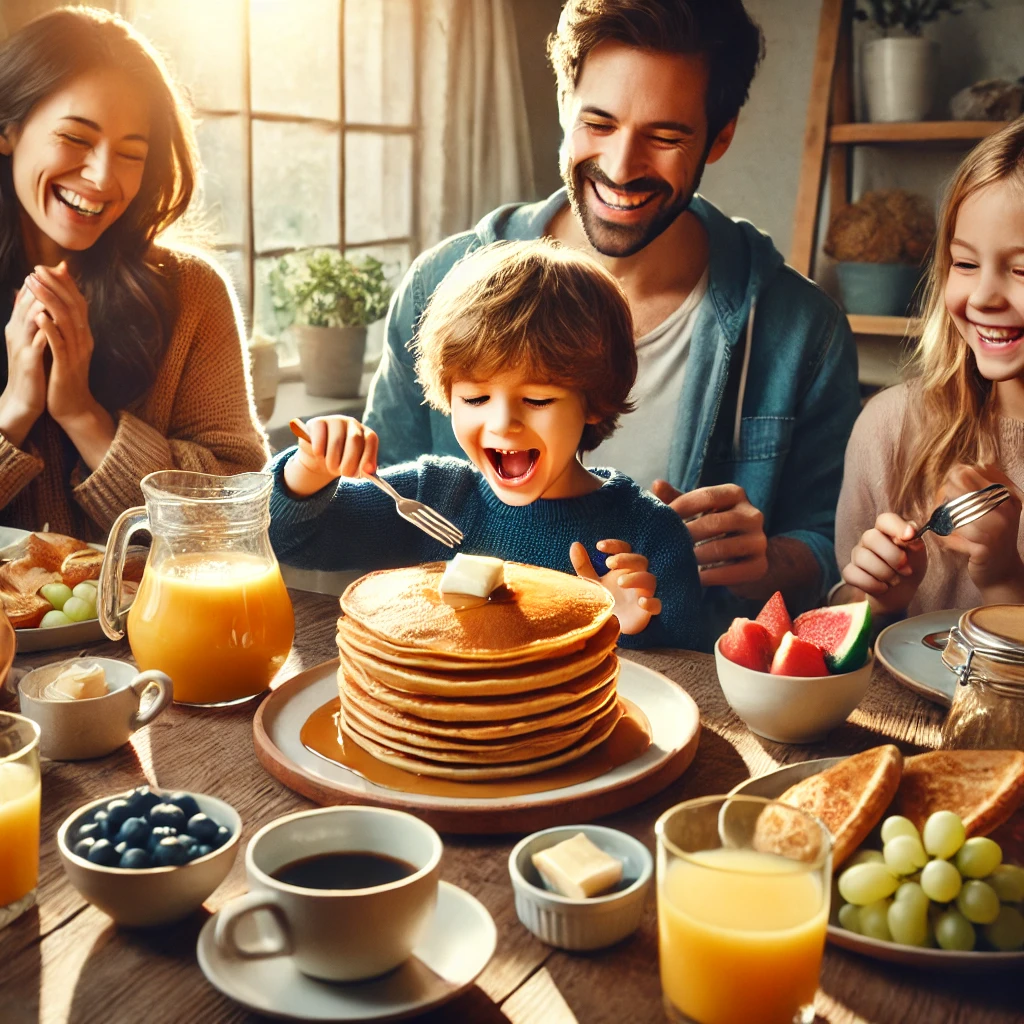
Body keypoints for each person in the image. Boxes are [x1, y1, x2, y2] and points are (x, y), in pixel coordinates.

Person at [363, 0, 861, 637]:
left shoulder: (804, 330)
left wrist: (764, 560)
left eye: (665, 136)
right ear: (564, 102)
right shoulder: (440, 285)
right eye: (598, 123)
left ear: (721, 135)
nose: (622, 168)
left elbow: (828, 550)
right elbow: (381, 509)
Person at [270, 240, 705, 651]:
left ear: (594, 401)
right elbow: (283, 538)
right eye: (476, 398)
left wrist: (627, 627)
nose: (502, 423)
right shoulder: (430, 500)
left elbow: (692, 681)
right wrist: (309, 469)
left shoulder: (651, 536)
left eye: (537, 400)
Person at [0, 7, 267, 541]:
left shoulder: (192, 291)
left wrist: (84, 417)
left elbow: (238, 509)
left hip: (155, 624)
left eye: (130, 153)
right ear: (8, 128)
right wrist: (14, 413)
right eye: (76, 138)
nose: (101, 178)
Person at [835, 117, 1024, 619]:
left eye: (1022, 270)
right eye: (964, 264)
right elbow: (839, 622)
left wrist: (1006, 578)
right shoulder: (889, 428)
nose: (983, 296)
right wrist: (873, 603)